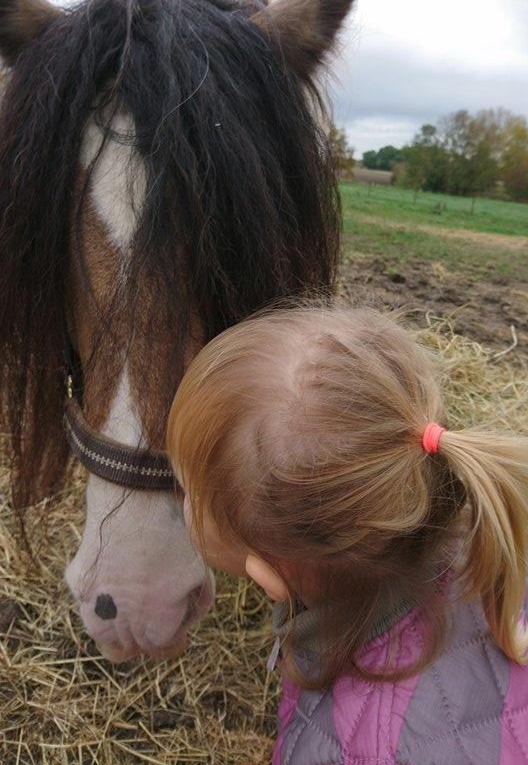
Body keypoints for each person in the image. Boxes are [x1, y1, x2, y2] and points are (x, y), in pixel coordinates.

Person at [167, 304, 528, 765]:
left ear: (270, 572)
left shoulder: (352, 748)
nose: (184, 503)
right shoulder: (498, 535)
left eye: (189, 489)